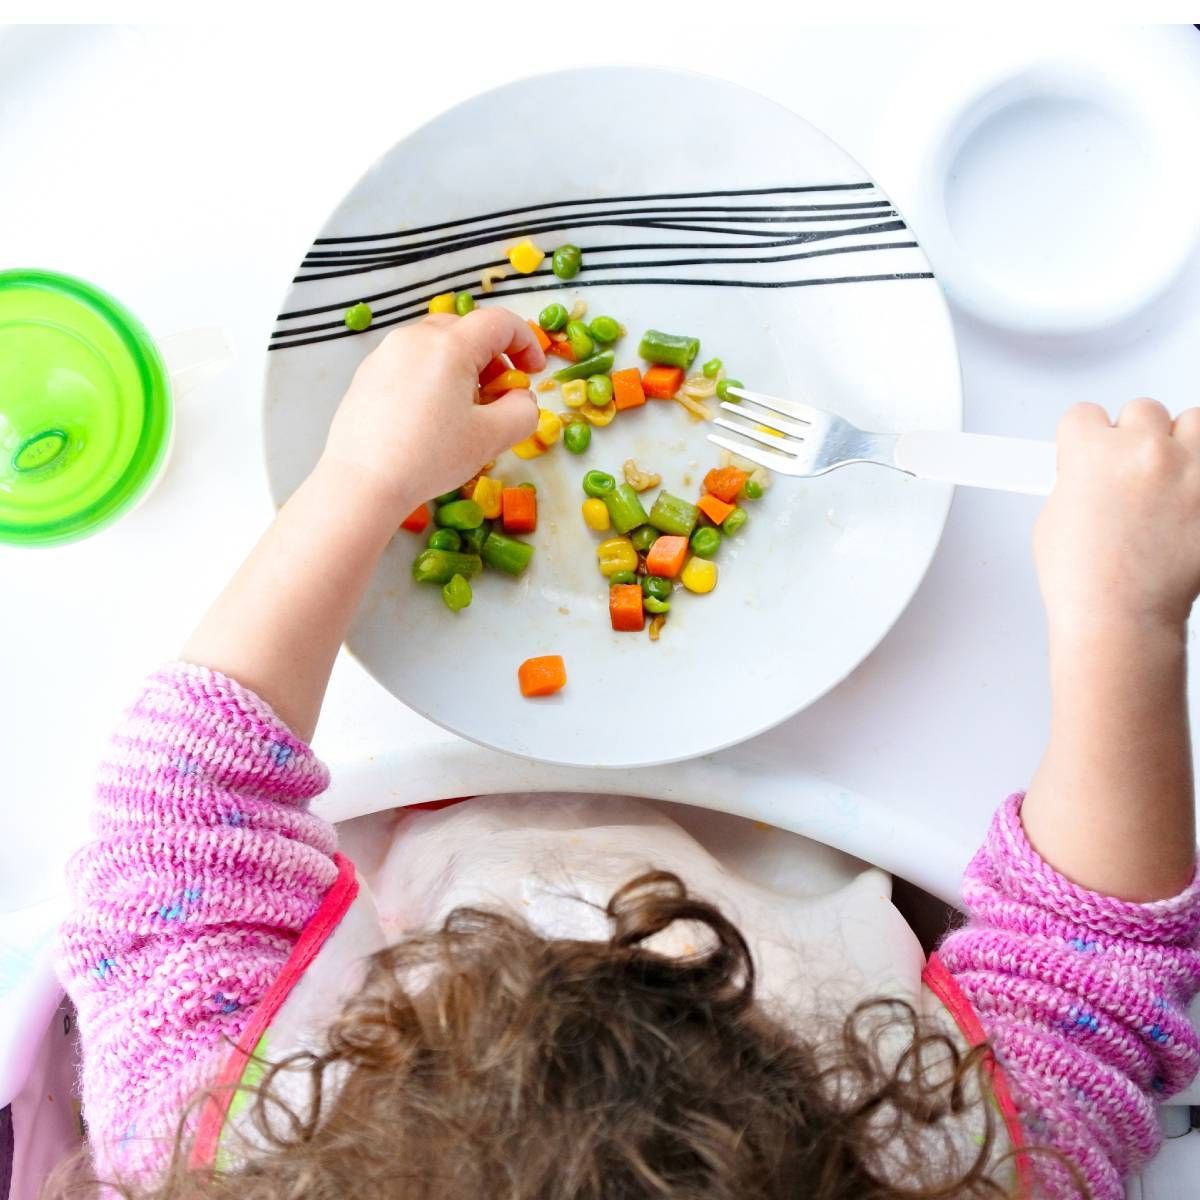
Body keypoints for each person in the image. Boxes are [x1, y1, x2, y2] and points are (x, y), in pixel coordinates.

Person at [51, 309, 1199, 1199]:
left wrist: (356, 487)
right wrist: (1124, 620)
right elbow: (1099, 962)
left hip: (430, 828)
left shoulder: (204, 1140)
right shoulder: (982, 1164)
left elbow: (177, 811)